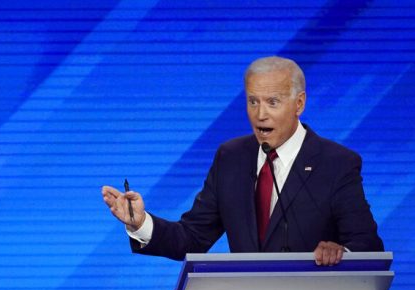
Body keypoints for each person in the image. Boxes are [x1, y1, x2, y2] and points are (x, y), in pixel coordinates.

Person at [102, 56, 383, 266]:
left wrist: (341, 254)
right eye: (253, 102)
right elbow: (191, 238)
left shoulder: (336, 163)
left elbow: (368, 245)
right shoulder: (231, 158)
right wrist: (140, 223)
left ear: (299, 104)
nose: (260, 114)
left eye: (272, 102)